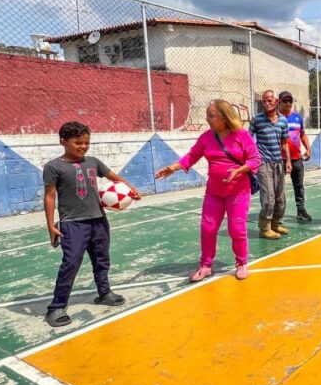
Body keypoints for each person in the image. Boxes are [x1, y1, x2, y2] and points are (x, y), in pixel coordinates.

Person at [43, 121, 142, 328]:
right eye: (78, 143)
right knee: (71, 264)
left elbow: (112, 176)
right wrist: (51, 225)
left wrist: (130, 188)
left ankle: (104, 292)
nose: (83, 146)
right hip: (72, 223)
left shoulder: (93, 162)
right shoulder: (53, 166)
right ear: (63, 142)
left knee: (102, 259)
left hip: (98, 220)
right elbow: (50, 196)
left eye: (87, 142)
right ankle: (56, 307)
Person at [155, 99, 260, 282]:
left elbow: (255, 159)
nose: (207, 119)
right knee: (208, 228)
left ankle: (241, 263)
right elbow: (192, 155)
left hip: (238, 192)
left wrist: (239, 170)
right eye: (207, 115)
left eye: (211, 116)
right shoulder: (206, 137)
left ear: (224, 117)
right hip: (214, 192)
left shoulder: (241, 135)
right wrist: (174, 167)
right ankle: (205, 265)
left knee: (237, 229)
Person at [250, 90, 292, 240]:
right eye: (264, 101)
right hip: (263, 163)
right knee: (269, 197)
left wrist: (288, 161)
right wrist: (252, 159)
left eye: (269, 100)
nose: (266, 103)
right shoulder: (257, 119)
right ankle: (265, 228)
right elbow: (248, 140)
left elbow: (284, 143)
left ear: (276, 102)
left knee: (280, 197)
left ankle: (276, 224)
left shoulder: (283, 121)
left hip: (278, 162)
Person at [277, 90, 312, 222]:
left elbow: (302, 134)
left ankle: (301, 210)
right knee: (278, 187)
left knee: (299, 185)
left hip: (296, 158)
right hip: (279, 159)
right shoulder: (275, 119)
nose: (288, 103)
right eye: (285, 101)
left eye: (290, 101)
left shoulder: (297, 118)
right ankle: (278, 214)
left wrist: (308, 149)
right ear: (279, 102)